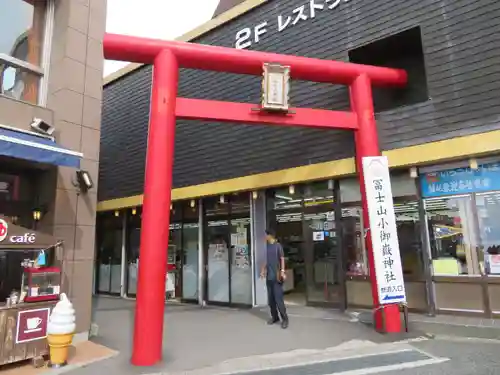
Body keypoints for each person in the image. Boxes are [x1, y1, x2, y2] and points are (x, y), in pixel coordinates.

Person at [260, 229, 289, 329]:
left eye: (265, 235)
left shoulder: (278, 246)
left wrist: (282, 271)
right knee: (271, 300)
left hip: (276, 277)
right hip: (269, 277)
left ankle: (285, 319)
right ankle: (275, 317)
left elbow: (282, 259)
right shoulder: (266, 247)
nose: (264, 237)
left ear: (270, 236)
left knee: (278, 300)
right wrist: (263, 270)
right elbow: (265, 260)